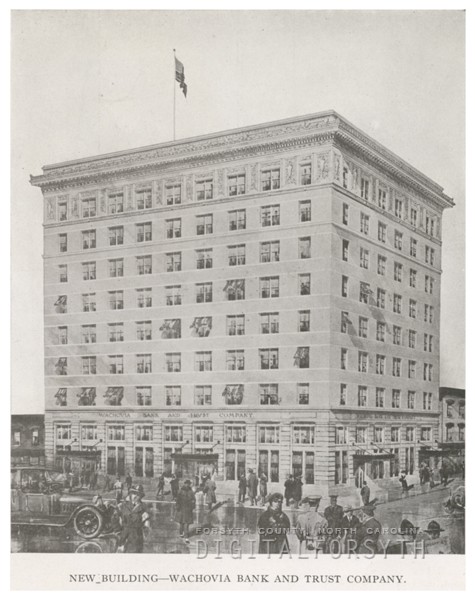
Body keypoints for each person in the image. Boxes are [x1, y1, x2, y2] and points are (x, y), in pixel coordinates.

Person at [117, 484, 151, 553]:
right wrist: (118, 531)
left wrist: (146, 532)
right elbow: (116, 519)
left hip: (136, 536)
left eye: (138, 494)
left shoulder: (144, 507)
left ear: (141, 496)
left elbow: (147, 526)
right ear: (130, 494)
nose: (135, 496)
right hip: (123, 536)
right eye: (133, 493)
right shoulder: (123, 505)